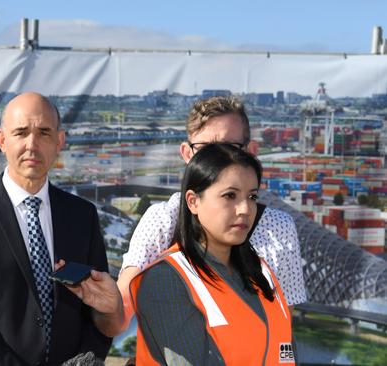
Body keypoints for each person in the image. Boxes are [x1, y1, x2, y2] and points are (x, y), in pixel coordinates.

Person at [115, 96, 306, 333]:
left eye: (230, 148)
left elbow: (284, 326)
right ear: (186, 154)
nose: (219, 162)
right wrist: (104, 303)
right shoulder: (163, 220)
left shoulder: (278, 227)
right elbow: (121, 310)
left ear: (252, 152)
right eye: (206, 150)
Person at [0, 92, 123, 365]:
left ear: (59, 141)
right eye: (21, 132)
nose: (32, 144)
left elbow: (97, 310)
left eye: (44, 132)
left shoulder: (82, 216)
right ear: (1, 140)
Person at [131, 143, 295, 365]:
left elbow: (284, 350)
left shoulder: (262, 272)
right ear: (193, 201)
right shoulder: (167, 279)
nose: (245, 209)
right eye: (230, 196)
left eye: (252, 197)